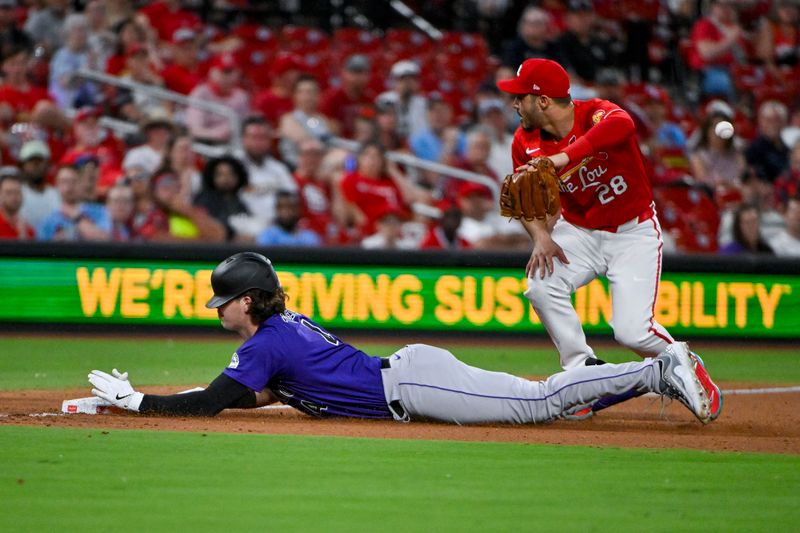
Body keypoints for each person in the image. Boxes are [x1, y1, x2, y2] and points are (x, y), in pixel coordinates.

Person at [87, 252, 721, 426]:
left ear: (247, 301)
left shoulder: (263, 344)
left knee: (539, 402)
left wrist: (138, 402)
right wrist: (134, 398)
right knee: (543, 402)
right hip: (408, 376)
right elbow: (240, 397)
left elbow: (208, 403)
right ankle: (649, 375)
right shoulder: (272, 337)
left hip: (411, 384)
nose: (217, 311)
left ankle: (660, 368)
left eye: (223, 302)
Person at [495, 59, 720, 419]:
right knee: (540, 284)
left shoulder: (597, 113)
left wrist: (562, 158)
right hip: (579, 231)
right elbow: (526, 198)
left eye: (519, 97)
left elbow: (624, 124)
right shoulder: (525, 141)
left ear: (542, 101)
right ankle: (582, 374)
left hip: (633, 232)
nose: (513, 104)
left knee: (632, 333)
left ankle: (688, 366)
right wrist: (540, 236)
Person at [256, 191, 322, 247]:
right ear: (276, 210)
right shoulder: (267, 236)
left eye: (290, 207)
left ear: (298, 209)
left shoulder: (310, 237)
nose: (285, 212)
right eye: (281, 207)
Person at [0, 169, 35, 239]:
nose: (14, 197)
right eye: (8, 192)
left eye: (17, 192)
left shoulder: (29, 230)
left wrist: (23, 237)